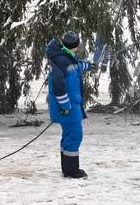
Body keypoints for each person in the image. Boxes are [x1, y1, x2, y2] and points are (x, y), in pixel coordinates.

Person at [47, 31, 92, 179]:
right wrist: (65, 106)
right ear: (75, 45)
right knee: (74, 136)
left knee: (69, 136)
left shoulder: (66, 57)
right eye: (78, 45)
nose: (78, 48)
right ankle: (72, 171)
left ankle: (67, 169)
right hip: (68, 108)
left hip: (71, 107)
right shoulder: (63, 61)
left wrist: (90, 65)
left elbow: (77, 66)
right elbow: (58, 87)